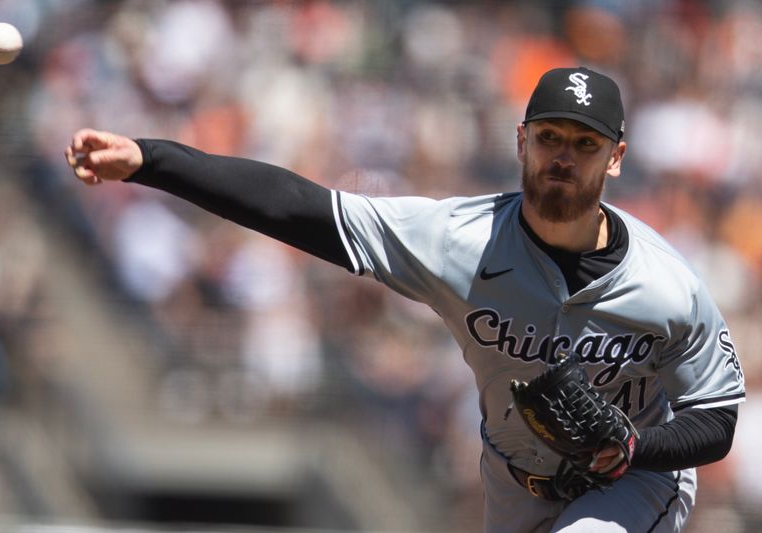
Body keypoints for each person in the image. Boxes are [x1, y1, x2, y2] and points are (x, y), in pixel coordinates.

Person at [65, 67, 745, 532]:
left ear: (616, 157)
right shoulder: (455, 240)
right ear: (522, 141)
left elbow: (715, 419)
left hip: (636, 481)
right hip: (512, 479)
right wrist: (152, 160)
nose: (562, 157)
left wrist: (636, 445)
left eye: (585, 144)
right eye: (550, 138)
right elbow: (302, 209)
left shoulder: (666, 283)